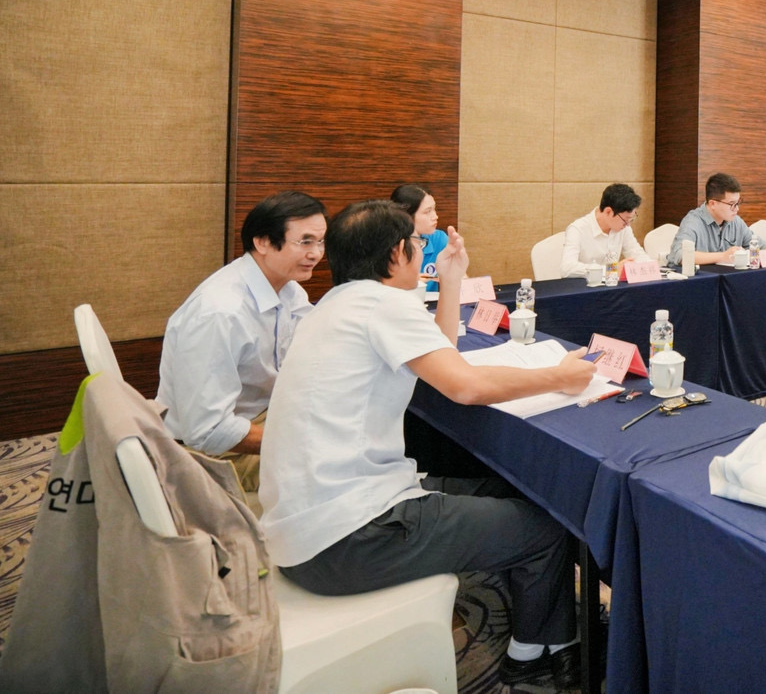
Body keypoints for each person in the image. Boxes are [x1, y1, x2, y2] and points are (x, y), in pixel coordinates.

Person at [259, 200, 598, 689]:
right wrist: (558, 376)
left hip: (306, 529)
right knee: (547, 527)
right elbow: (465, 386)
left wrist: (451, 279)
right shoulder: (382, 305)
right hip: (350, 537)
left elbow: (442, 356)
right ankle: (535, 656)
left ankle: (546, 635)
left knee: (510, 491)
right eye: (417, 243)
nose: (423, 250)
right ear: (398, 253)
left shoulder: (335, 305)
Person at [157, 191, 327, 493]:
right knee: (335, 462)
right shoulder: (221, 312)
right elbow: (208, 431)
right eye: (305, 242)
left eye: (321, 242)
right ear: (262, 242)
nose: (316, 254)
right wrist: (293, 440)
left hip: (258, 414)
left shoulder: (288, 290)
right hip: (211, 453)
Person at [669, 173, 766, 266]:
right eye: (731, 204)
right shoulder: (693, 221)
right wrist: (722, 256)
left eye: (738, 203)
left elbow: (760, 245)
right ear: (713, 204)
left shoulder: (735, 221)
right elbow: (680, 255)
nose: (737, 209)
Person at [561, 182, 648, 277]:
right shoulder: (577, 229)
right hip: (585, 285)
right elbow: (567, 268)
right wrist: (612, 269)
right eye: (625, 220)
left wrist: (651, 267)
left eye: (631, 219)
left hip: (612, 284)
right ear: (608, 212)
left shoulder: (623, 228)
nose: (628, 225)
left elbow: (637, 255)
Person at [391, 183, 446, 288]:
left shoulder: (439, 239)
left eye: (434, 209)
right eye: (427, 212)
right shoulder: (386, 245)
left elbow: (460, 278)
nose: (435, 216)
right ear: (406, 215)